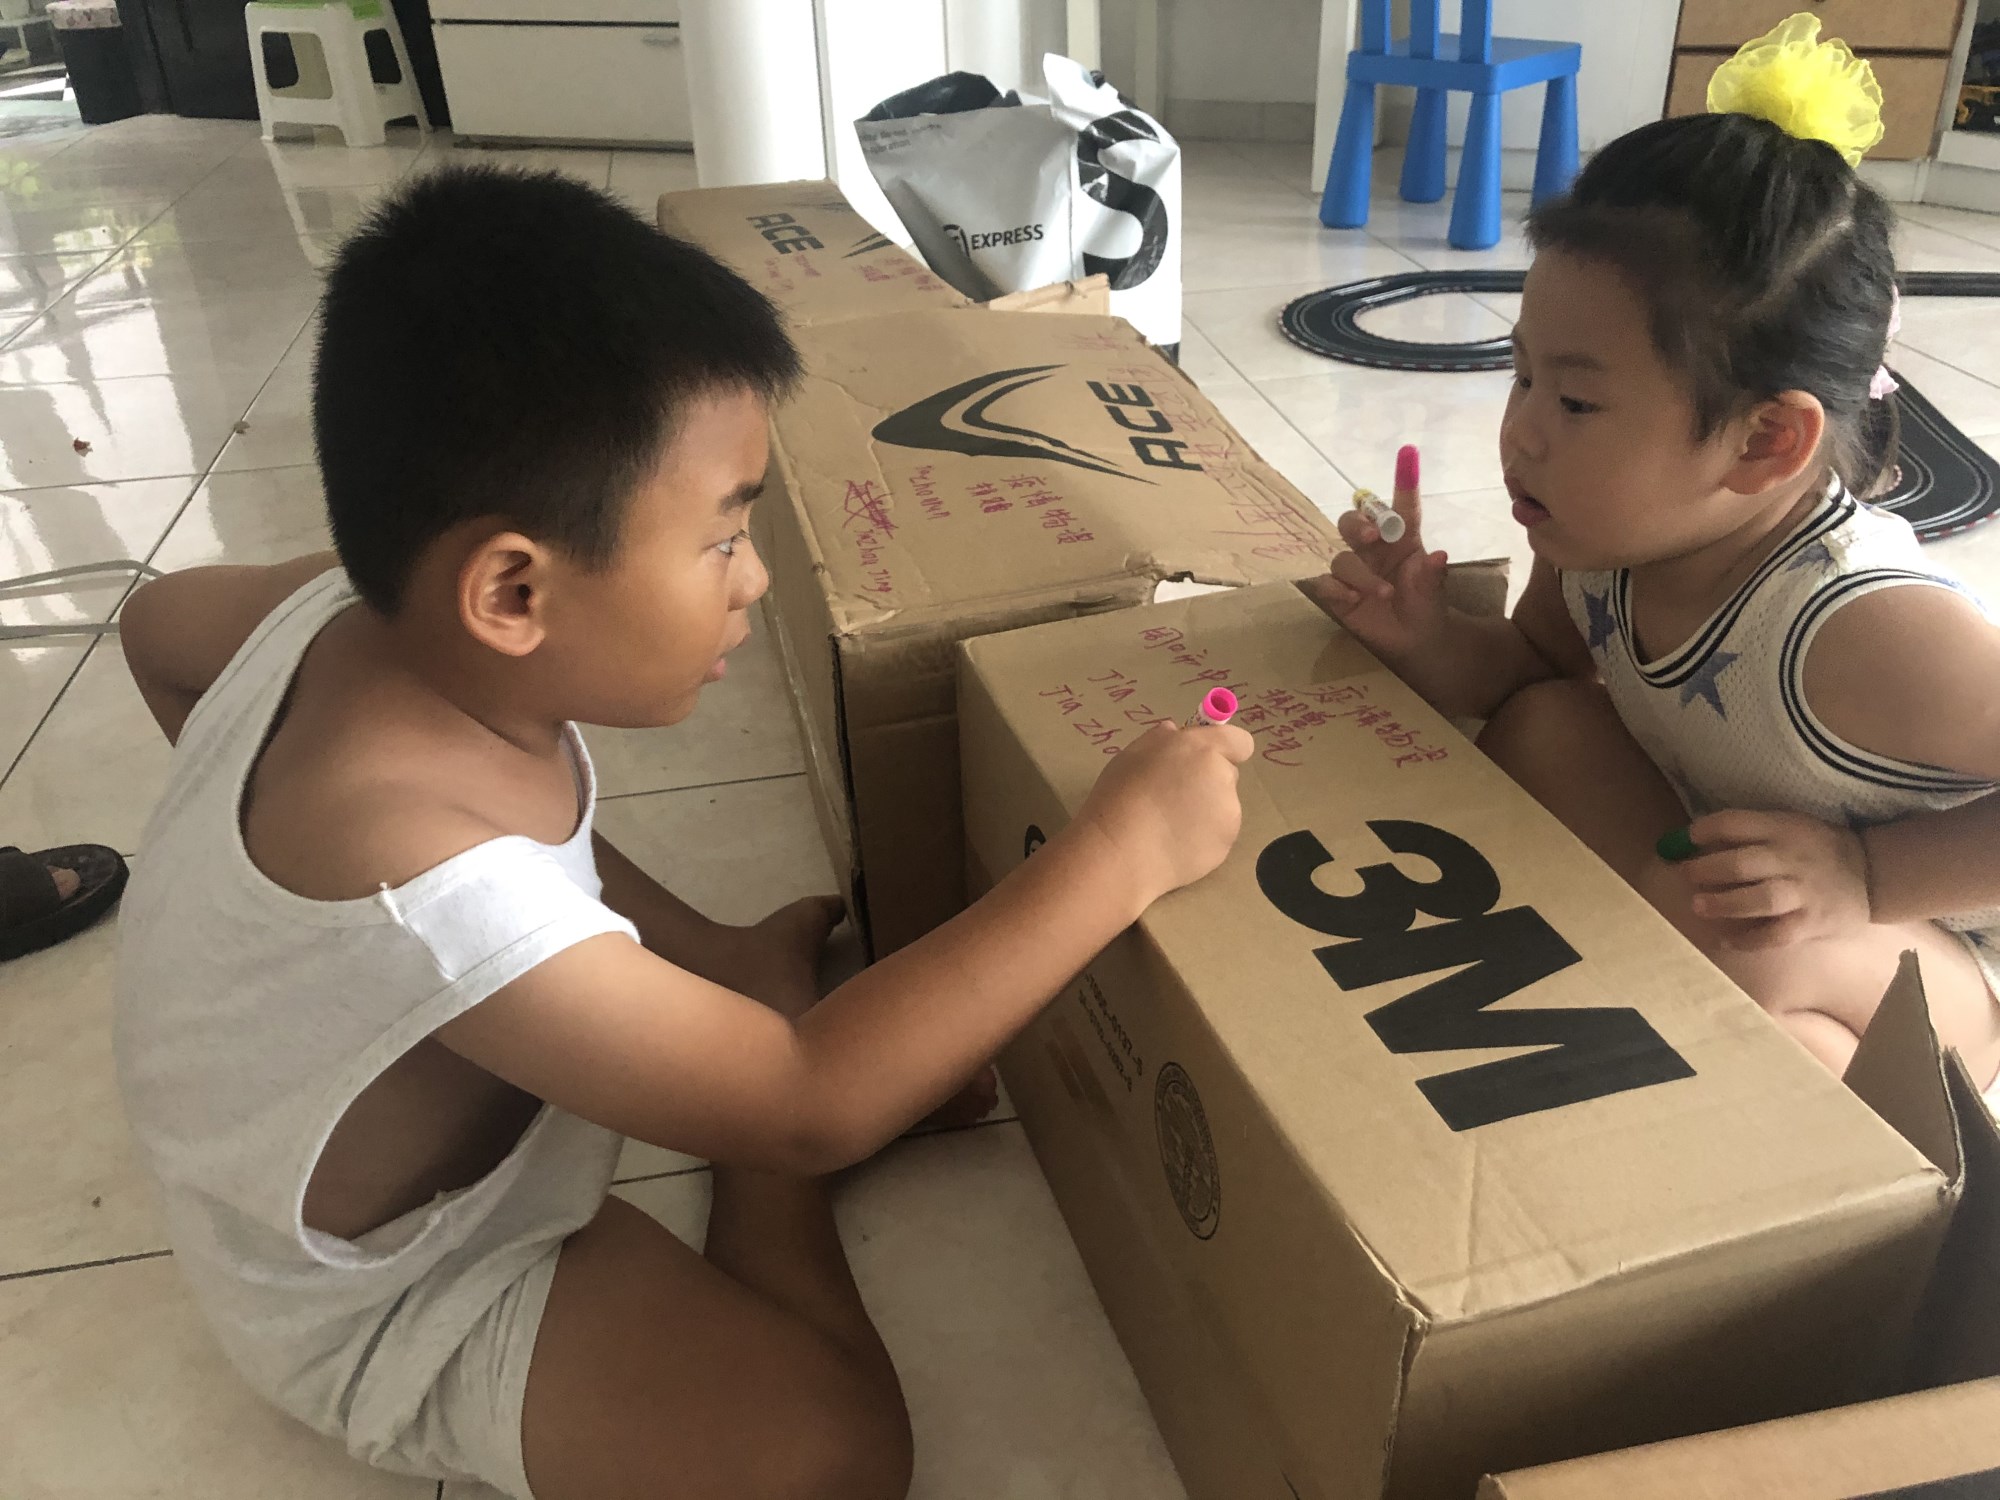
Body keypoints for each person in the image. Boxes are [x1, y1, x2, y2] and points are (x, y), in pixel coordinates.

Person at [112, 165, 1252, 1500]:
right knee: (831, 1459)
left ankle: (723, 985)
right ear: (513, 592)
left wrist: (274, 917)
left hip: (315, 1154)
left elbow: (152, 632)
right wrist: (1121, 850)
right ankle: (748, 1154)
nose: (754, 578)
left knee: (597, 943)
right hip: (398, 1291)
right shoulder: (423, 884)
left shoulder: (333, 613)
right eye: (722, 539)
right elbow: (808, 1099)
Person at [1306, 14, 2000, 1096]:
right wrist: (1425, 637)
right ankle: (1663, 1004)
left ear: (1763, 443)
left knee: (1725, 925)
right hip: (1719, 862)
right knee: (1542, 725)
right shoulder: (1599, 537)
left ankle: (1867, 1139)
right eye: (1520, 375)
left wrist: (1865, 875)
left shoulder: (1866, 627)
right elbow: (1532, 669)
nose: (1521, 432)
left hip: (1923, 962)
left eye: (1577, 402)